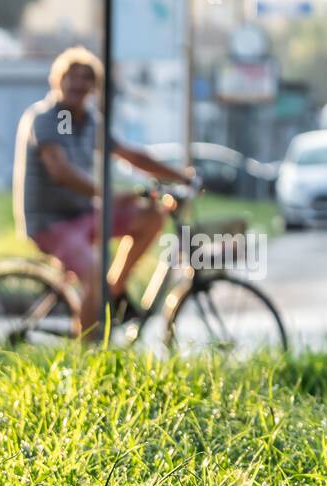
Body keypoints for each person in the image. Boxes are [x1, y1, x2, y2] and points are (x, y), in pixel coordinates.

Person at [14, 46, 194, 337]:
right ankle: (89, 354)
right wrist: (106, 195)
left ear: (94, 86)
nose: (79, 84)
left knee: (151, 217)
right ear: (57, 80)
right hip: (51, 222)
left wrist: (181, 177)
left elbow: (131, 155)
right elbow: (59, 170)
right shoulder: (45, 118)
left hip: (85, 214)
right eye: (71, 77)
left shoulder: (90, 121)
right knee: (94, 272)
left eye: (87, 78)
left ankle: (114, 291)